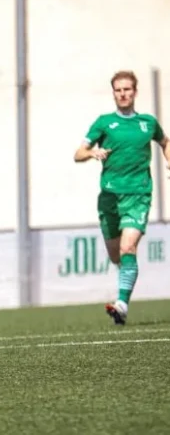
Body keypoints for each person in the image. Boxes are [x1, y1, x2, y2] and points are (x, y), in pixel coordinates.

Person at [74, 70, 170, 325]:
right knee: (116, 255)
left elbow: (165, 142)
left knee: (129, 247)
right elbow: (78, 153)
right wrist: (92, 153)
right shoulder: (104, 123)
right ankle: (123, 293)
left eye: (127, 89)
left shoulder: (148, 123)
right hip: (109, 198)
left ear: (135, 92)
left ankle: (122, 304)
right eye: (118, 90)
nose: (123, 94)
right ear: (114, 93)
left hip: (138, 195)